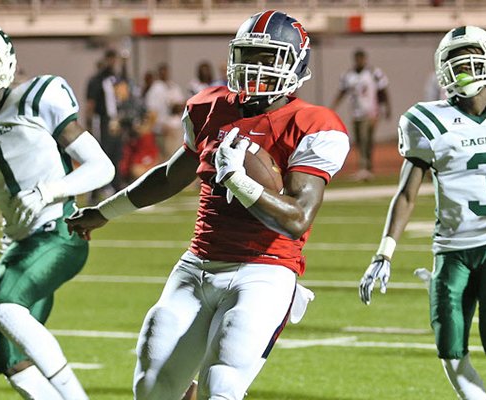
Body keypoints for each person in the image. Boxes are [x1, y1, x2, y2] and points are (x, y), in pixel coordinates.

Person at [67, 10, 349, 400]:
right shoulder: (209, 105)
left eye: (269, 58)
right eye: (249, 55)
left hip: (264, 272)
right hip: (198, 264)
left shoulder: (313, 122)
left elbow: (297, 219)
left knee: (223, 386)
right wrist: (103, 213)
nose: (255, 67)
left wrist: (239, 181)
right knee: (152, 387)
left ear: (297, 63)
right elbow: (169, 176)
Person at [358, 26, 486, 399]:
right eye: (456, 59)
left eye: (472, 56)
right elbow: (406, 194)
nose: (464, 66)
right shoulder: (427, 120)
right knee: (450, 349)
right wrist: (384, 251)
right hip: (451, 250)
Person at [0, 21, 115, 399]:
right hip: (19, 246)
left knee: (2, 302)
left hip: (59, 231)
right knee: (6, 355)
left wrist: (49, 191)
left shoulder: (39, 96)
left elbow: (102, 167)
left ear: (4, 61)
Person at [331, 48, 391, 182]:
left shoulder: (374, 73)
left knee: (365, 140)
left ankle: (365, 168)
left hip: (371, 112)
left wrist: (386, 109)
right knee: (360, 140)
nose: (359, 61)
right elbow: (343, 91)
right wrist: (334, 106)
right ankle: (367, 168)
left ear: (365, 59)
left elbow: (383, 91)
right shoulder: (348, 75)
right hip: (355, 112)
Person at [86, 48, 122, 197]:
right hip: (102, 120)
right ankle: (95, 190)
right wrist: (89, 121)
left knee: (116, 153)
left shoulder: (115, 80)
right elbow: (91, 103)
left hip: (114, 120)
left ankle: (116, 186)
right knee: (102, 153)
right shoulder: (96, 80)